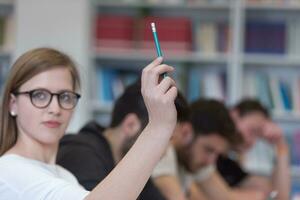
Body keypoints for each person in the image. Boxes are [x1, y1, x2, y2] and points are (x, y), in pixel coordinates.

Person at [0, 47, 178, 200]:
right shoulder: (8, 171)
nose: (55, 108)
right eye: (39, 95)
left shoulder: (64, 175)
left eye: (65, 97)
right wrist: (158, 127)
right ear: (13, 104)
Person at [56, 80, 166, 200]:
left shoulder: (126, 161)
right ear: (131, 125)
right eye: (162, 138)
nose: (164, 152)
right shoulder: (81, 154)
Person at [152, 98, 266, 200]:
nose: (211, 161)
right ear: (186, 132)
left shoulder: (192, 156)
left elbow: (225, 197)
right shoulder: (163, 148)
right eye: (208, 150)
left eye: (216, 154)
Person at [217, 99, 290, 200]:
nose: (252, 142)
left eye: (258, 137)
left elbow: (279, 196)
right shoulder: (210, 156)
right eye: (252, 131)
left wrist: (281, 146)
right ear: (234, 115)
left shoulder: (228, 165)